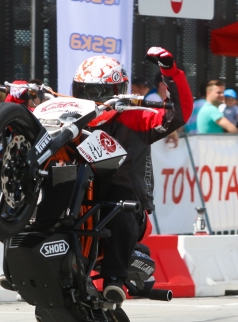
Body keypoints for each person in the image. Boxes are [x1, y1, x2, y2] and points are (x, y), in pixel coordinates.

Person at [70, 48, 192, 304]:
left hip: (123, 204)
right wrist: (17, 98)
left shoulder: (135, 116)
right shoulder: (69, 117)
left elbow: (179, 114)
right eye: (86, 91)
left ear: (119, 91)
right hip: (75, 197)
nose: (94, 99)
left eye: (101, 92)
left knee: (121, 205)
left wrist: (170, 72)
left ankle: (114, 279)